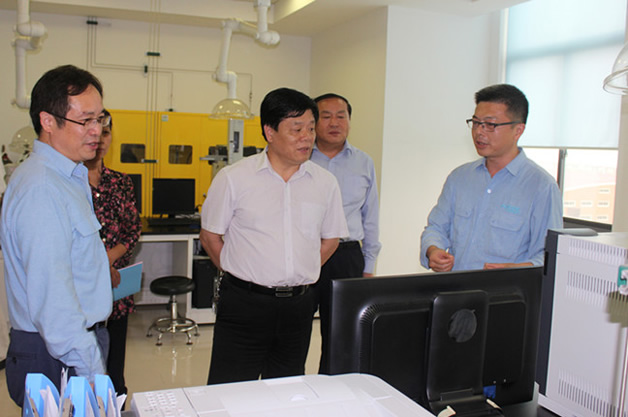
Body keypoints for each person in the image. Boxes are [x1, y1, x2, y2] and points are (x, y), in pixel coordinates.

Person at [200, 87, 348, 385]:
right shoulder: (234, 178)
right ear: (270, 132)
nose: (307, 137)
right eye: (296, 129)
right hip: (244, 304)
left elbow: (330, 239)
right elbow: (210, 237)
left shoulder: (325, 183)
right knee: (230, 390)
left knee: (287, 390)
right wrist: (240, 273)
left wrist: (298, 270)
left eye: (310, 128)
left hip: (298, 306)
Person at [1, 65, 113, 407]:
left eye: (100, 119)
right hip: (58, 354)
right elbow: (54, 304)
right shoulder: (42, 189)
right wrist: (92, 372)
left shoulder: (68, 177)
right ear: (48, 121)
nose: (96, 131)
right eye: (85, 121)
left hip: (71, 346)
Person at [420, 84, 562, 272]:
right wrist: (433, 250)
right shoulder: (459, 178)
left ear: (518, 130)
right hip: (454, 287)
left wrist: (514, 270)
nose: (479, 132)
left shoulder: (542, 187)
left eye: (490, 125)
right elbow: (436, 228)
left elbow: (548, 257)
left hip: (506, 289)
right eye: (476, 123)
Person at [310, 93, 381, 373]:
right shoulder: (300, 158)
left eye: (341, 116)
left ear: (350, 121)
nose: (334, 123)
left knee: (342, 335)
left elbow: (371, 216)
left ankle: (332, 387)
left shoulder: (363, 162)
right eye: (326, 116)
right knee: (294, 328)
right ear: (314, 122)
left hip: (347, 255)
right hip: (305, 251)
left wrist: (369, 266)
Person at [85, 110, 141, 397]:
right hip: (81, 294)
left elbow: (133, 230)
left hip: (116, 289)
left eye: (106, 133)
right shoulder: (70, 182)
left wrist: (108, 259)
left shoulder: (121, 183)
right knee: (84, 371)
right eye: (95, 131)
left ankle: (116, 406)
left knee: (115, 371)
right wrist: (98, 264)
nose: (101, 138)